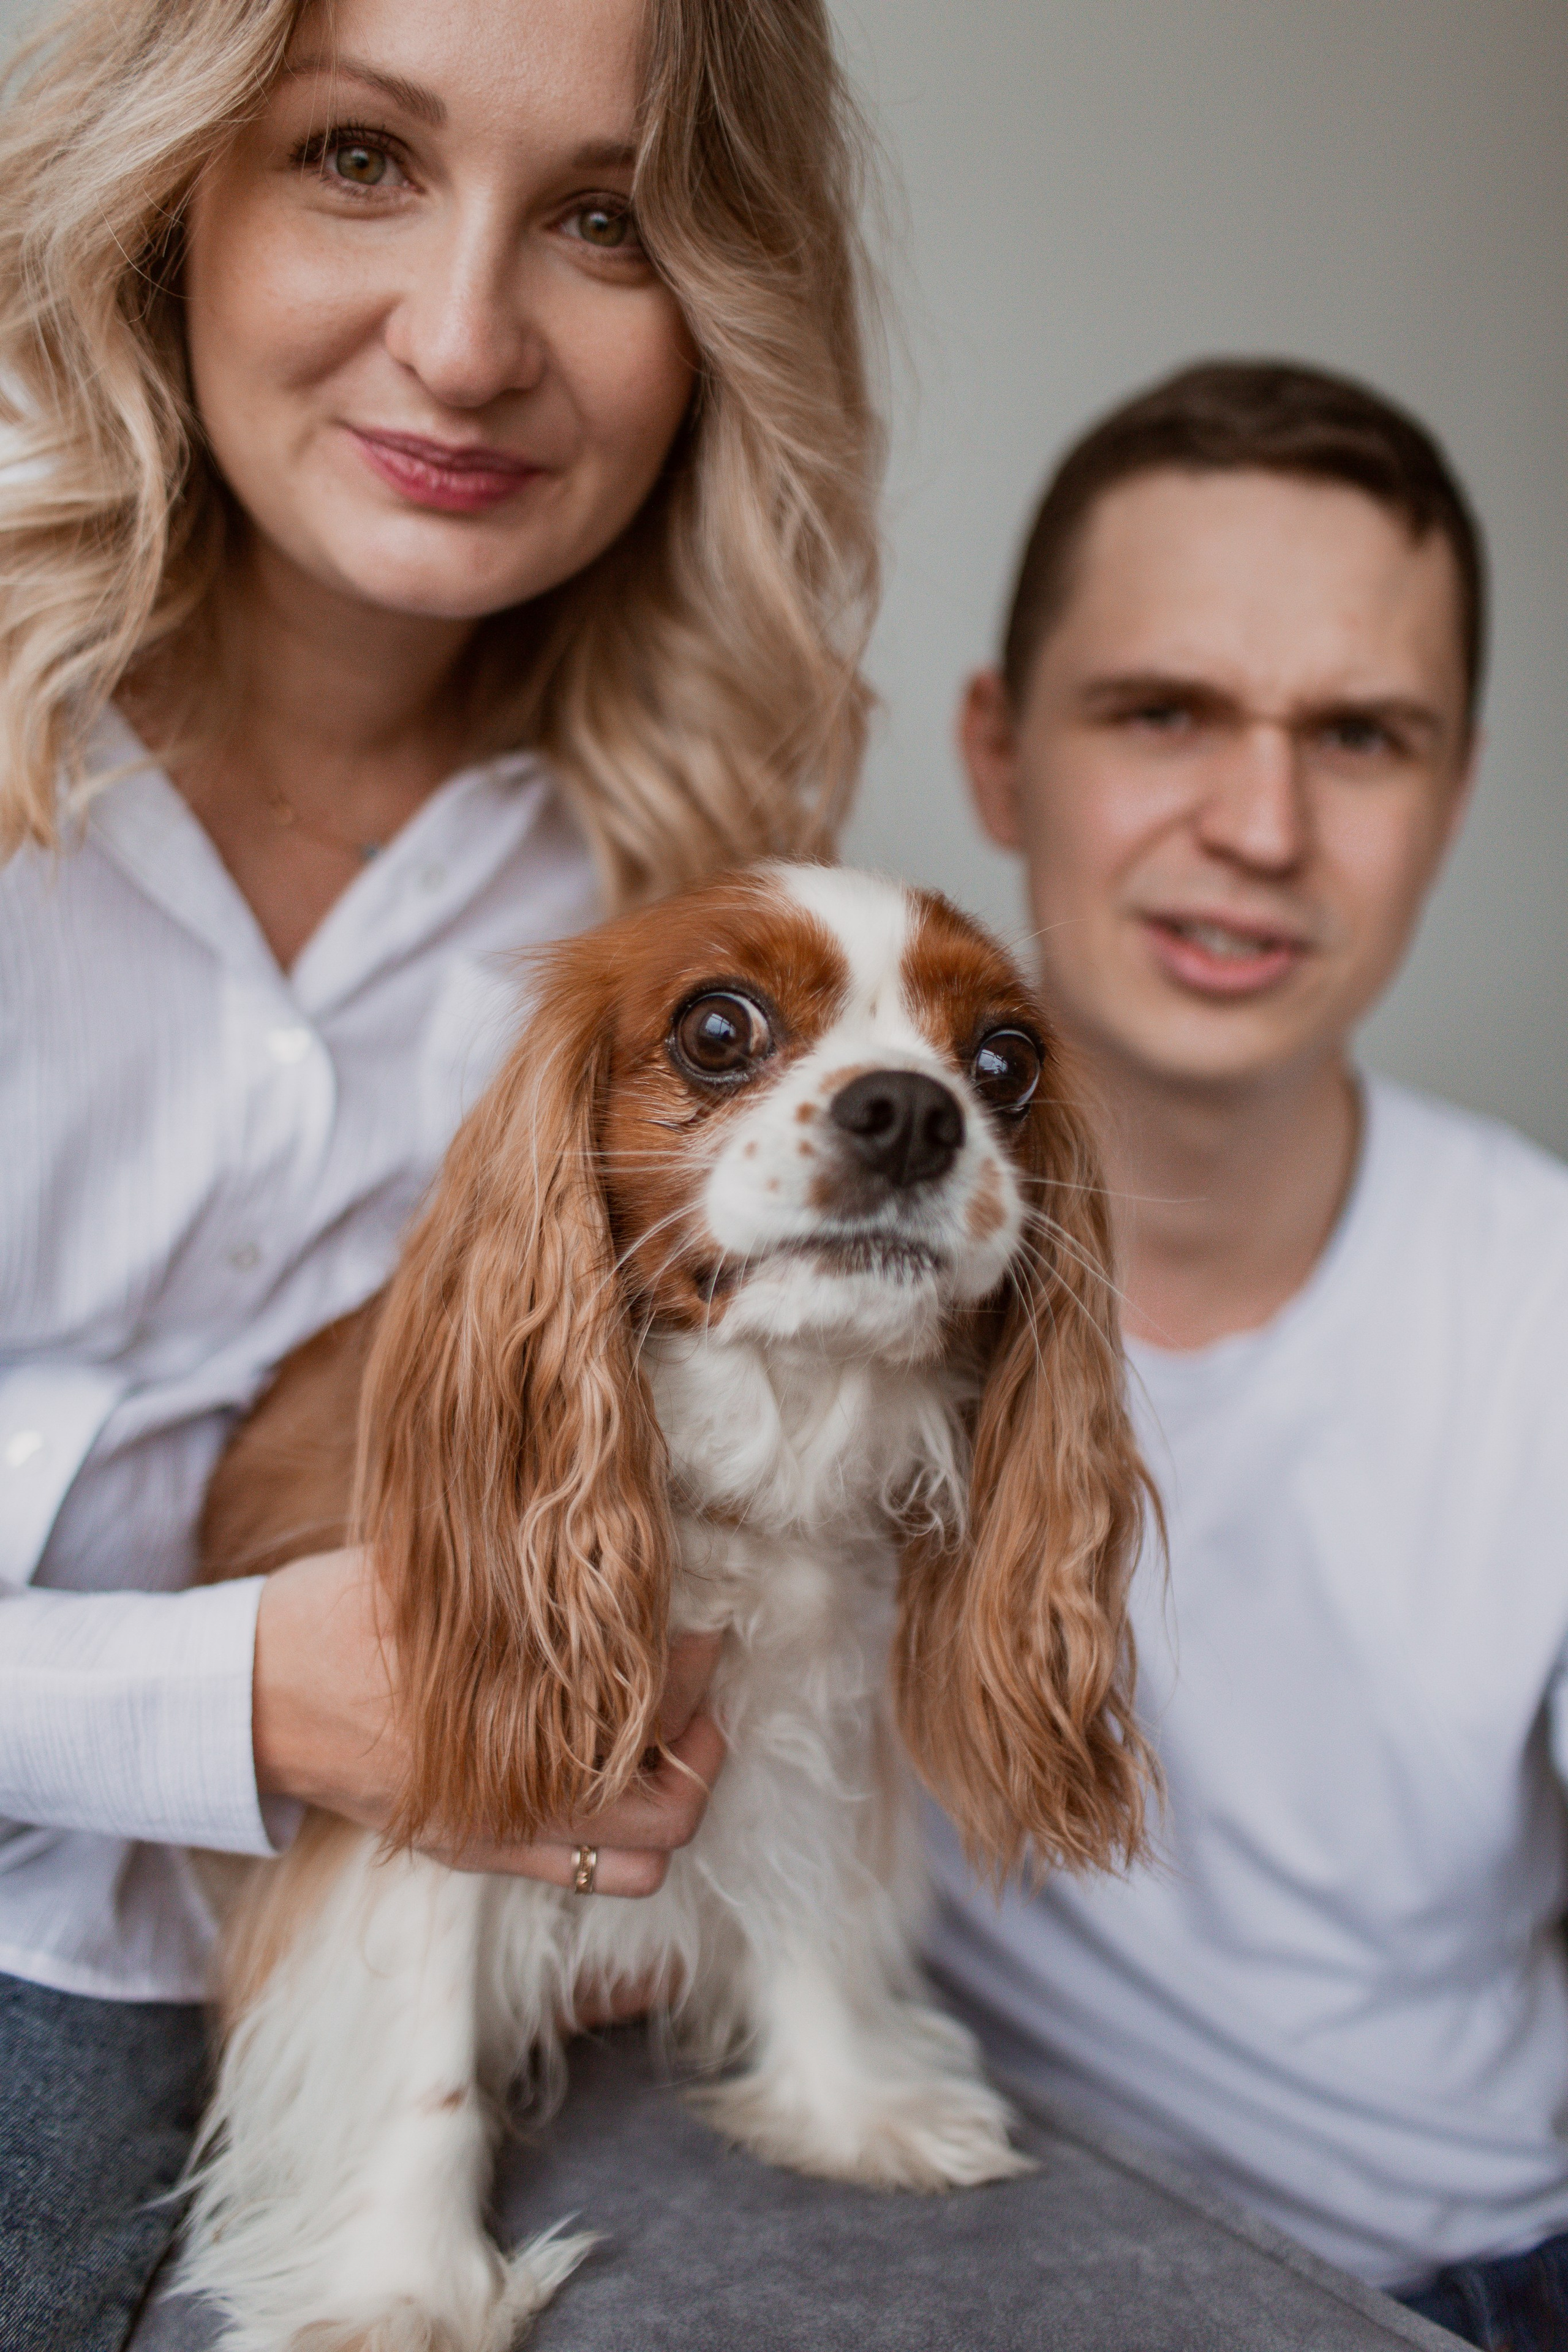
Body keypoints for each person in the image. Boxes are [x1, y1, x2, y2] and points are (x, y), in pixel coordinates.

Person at [0, 0, 881, 2342]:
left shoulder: (687, 930)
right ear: (170, 186)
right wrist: (243, 1700)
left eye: (605, 217)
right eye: (357, 158)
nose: (471, 338)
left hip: (343, 1980)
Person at [933, 358, 1568, 2351]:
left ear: (1452, 797)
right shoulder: (779, 1251)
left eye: (1362, 737)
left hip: (1476, 2276)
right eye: (1165, 713)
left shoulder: (1541, 1304)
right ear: (1001, 754)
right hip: (974, 2248)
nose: (1265, 824)